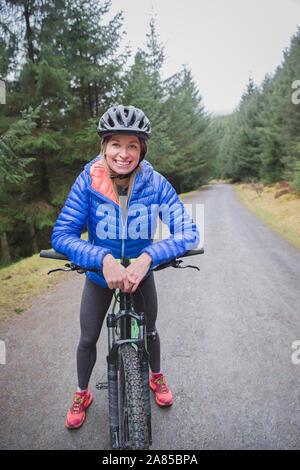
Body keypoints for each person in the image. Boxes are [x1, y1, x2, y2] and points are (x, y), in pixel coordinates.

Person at [51, 104, 200, 429]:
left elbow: (189, 231)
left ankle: (156, 377)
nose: (124, 153)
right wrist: (101, 259)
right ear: (104, 147)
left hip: (140, 272)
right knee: (88, 338)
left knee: (151, 330)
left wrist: (148, 256)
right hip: (99, 277)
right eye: (116, 144)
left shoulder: (155, 183)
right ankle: (81, 392)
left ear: (141, 150)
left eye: (133, 145)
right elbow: (62, 235)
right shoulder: (88, 181)